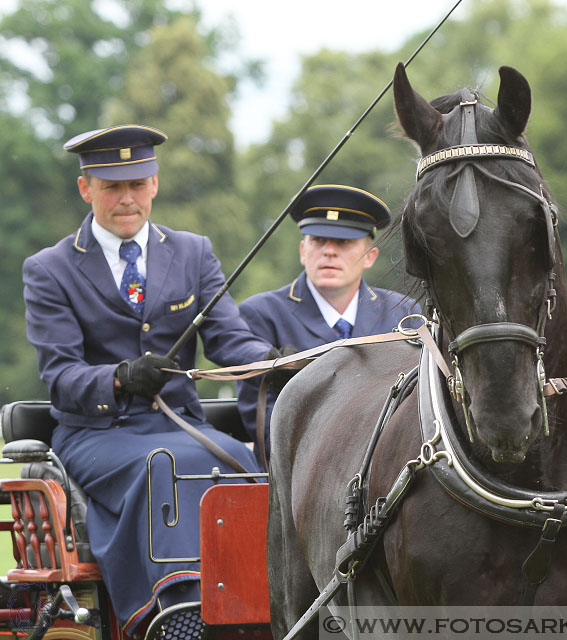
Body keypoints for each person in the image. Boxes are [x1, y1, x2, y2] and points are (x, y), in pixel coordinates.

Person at [22, 125, 275, 636]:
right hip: (96, 435)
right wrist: (120, 379)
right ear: (85, 189)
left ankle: (257, 604)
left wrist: (276, 360)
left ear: (154, 184)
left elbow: (230, 340)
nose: (127, 199)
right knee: (169, 465)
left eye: (137, 185)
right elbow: (61, 377)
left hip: (181, 425)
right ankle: (175, 613)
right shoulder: (49, 270)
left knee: (248, 465)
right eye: (112, 187)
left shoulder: (193, 253)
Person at [236, 185, 421, 460]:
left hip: (388, 471)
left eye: (344, 243)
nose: (329, 252)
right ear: (303, 251)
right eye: (319, 240)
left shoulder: (403, 312)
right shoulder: (261, 314)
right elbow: (264, 420)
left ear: (370, 257)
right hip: (302, 472)